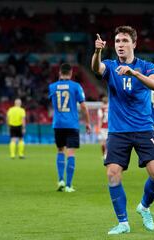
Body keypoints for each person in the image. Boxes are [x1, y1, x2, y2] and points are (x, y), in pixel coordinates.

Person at [91, 26, 154, 235]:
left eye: (124, 41)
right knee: (112, 174)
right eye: (117, 41)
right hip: (118, 130)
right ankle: (123, 222)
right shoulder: (111, 66)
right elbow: (97, 68)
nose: (120, 45)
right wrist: (97, 52)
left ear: (134, 43)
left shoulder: (146, 66)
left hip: (143, 128)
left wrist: (134, 73)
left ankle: (144, 207)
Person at [48, 63, 91, 193]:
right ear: (71, 73)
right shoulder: (76, 86)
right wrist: (88, 123)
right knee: (70, 153)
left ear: (60, 73)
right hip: (72, 124)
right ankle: (68, 185)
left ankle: (60, 180)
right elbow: (83, 106)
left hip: (58, 123)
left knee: (60, 150)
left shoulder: (52, 87)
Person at [97, 95, 108, 160]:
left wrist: (99, 127)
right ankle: (107, 154)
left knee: (102, 142)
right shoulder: (110, 108)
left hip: (103, 127)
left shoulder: (101, 109)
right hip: (110, 127)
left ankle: (104, 155)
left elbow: (100, 119)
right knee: (108, 142)